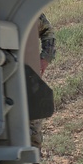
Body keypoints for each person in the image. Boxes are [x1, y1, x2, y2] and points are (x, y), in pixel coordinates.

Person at [29, 13, 55, 152]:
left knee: (33, 118)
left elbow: (47, 31)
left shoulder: (30, 9)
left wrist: (45, 58)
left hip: (27, 74)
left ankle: (34, 163)